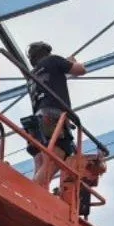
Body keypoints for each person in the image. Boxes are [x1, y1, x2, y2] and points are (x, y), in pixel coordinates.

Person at [23, 41, 87, 189]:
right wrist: (69, 63)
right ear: (47, 52)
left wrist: (63, 65)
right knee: (58, 156)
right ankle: (32, 194)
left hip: (36, 122)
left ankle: (37, 195)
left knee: (41, 165)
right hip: (53, 118)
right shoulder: (53, 60)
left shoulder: (31, 75)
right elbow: (81, 70)